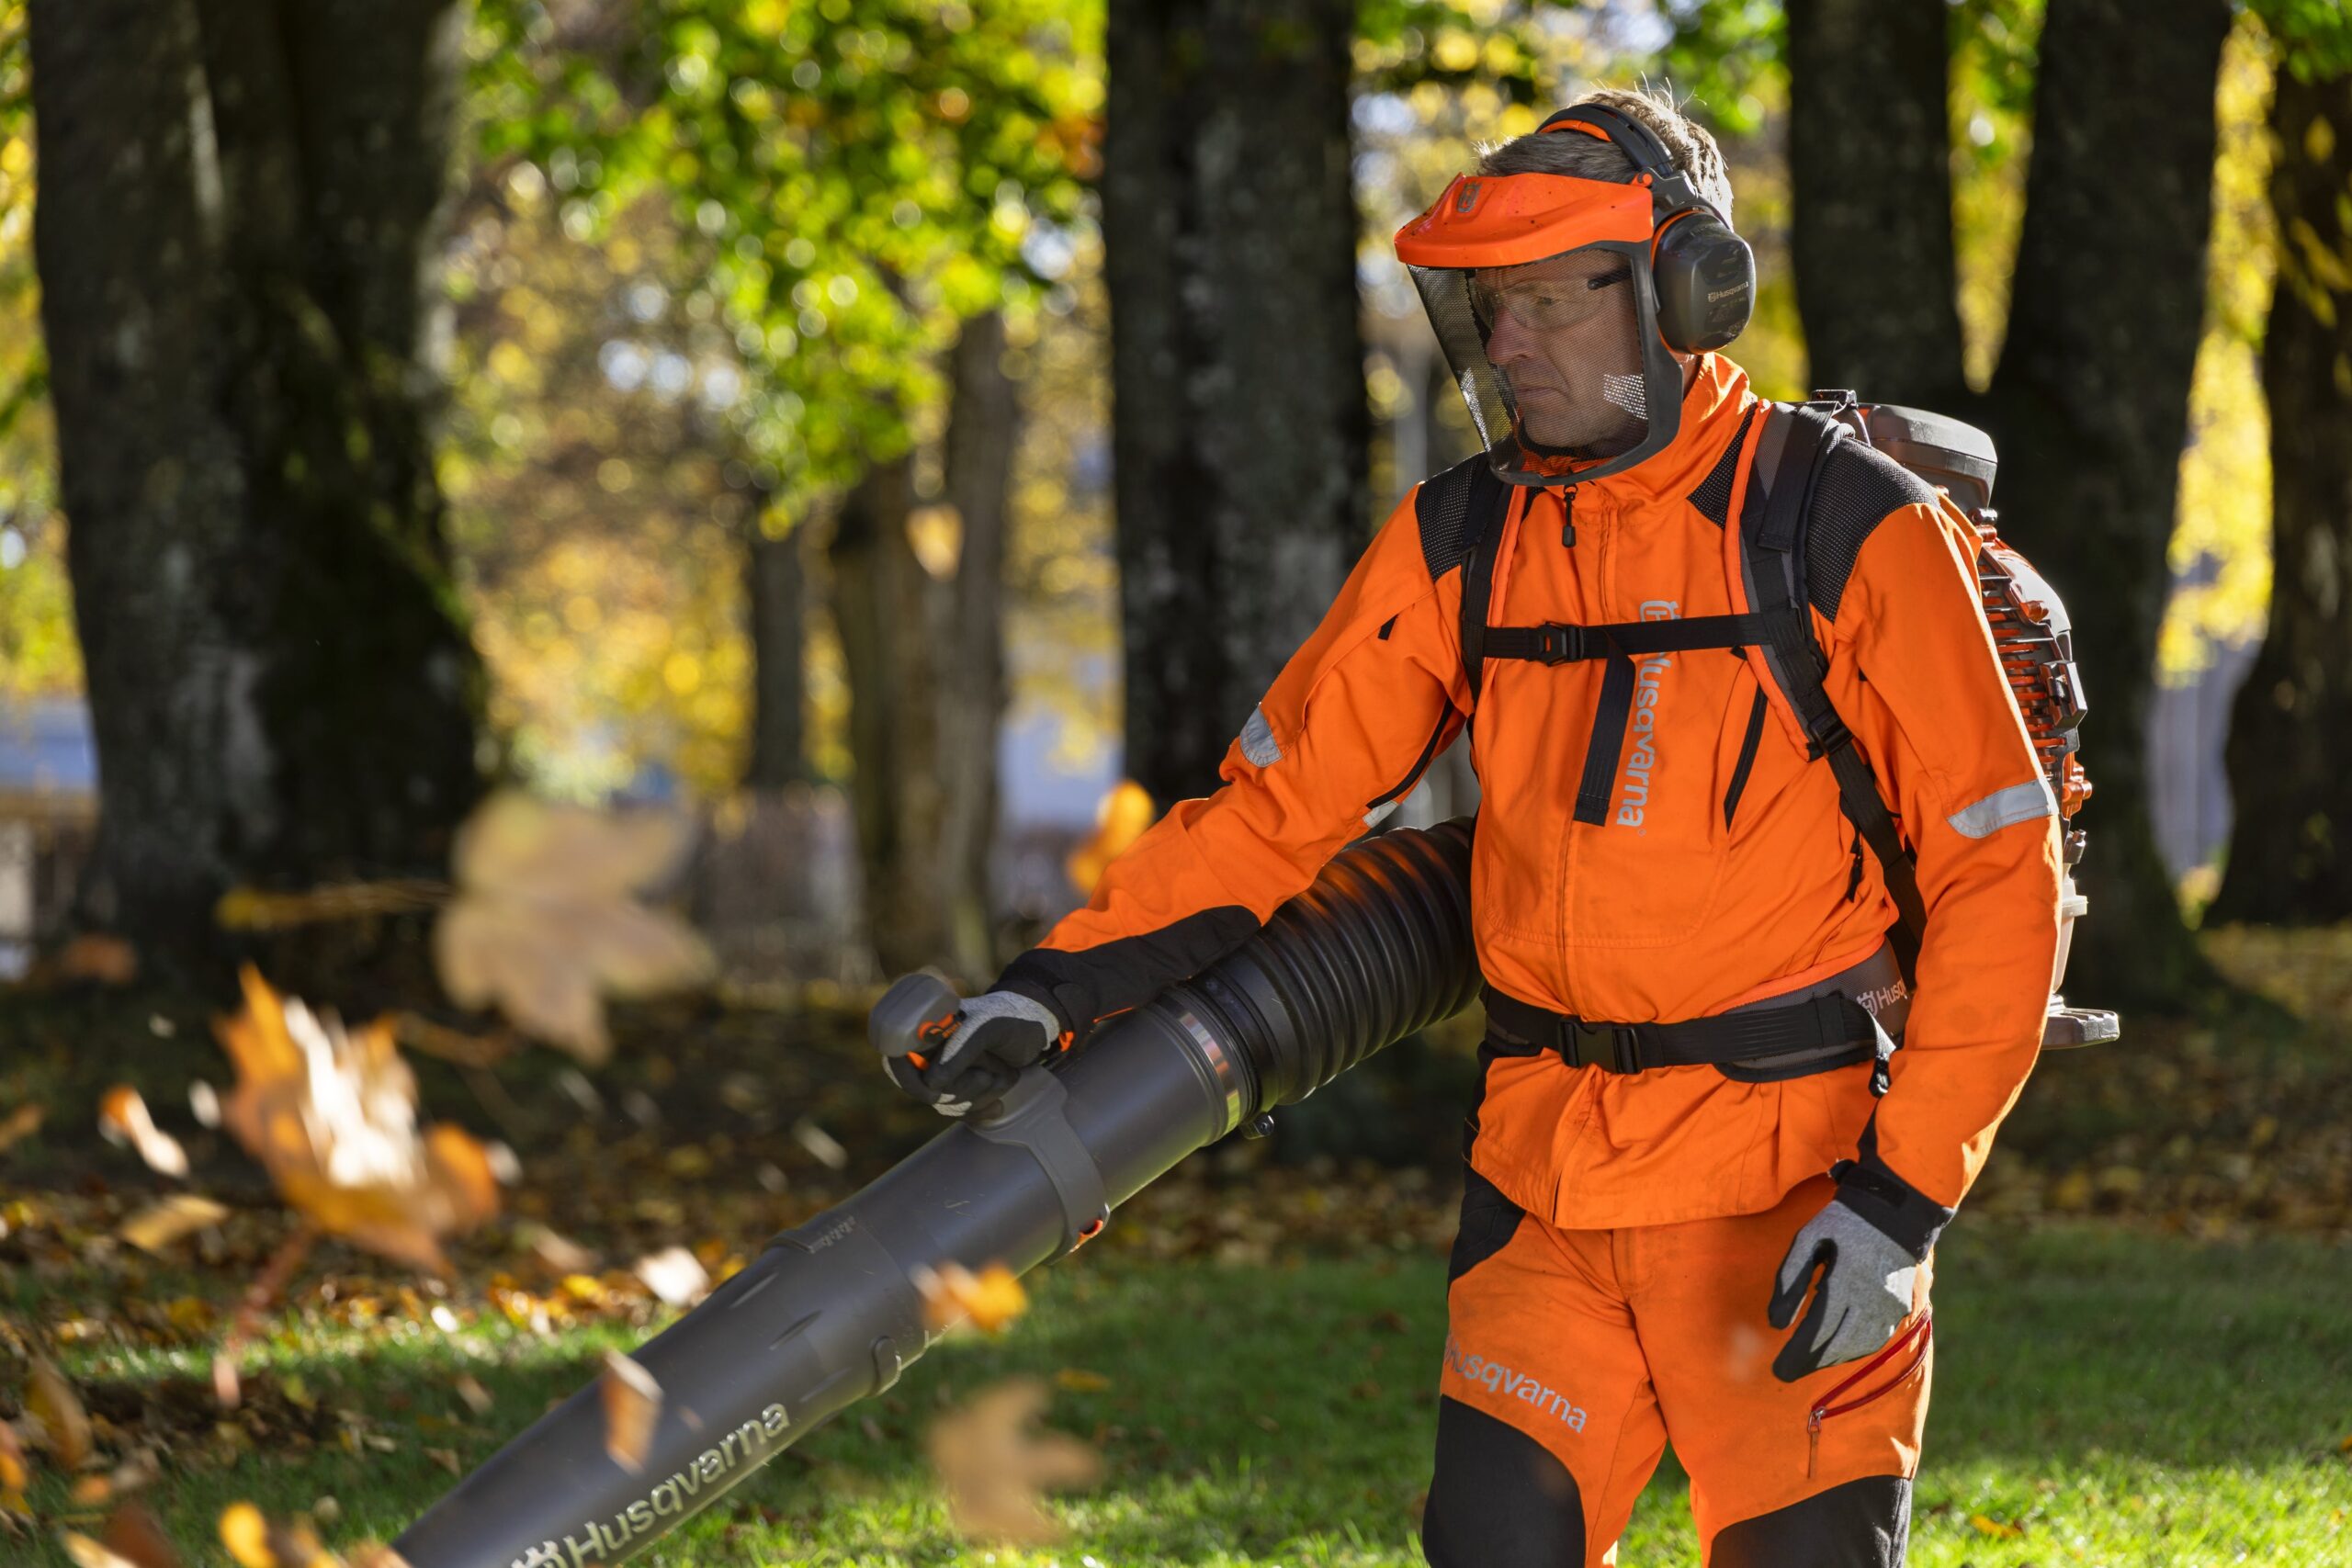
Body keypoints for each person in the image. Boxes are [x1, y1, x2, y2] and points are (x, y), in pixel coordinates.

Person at [895, 85, 2063, 1566]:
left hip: (1795, 1184)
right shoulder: (1465, 537)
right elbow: (1274, 810)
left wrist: (1900, 1204)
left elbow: (2002, 879)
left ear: (1686, 293)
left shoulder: (1843, 523)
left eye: (1546, 303)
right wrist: (1052, 986)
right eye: (1489, 309)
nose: (1507, 347)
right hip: (1546, 1180)